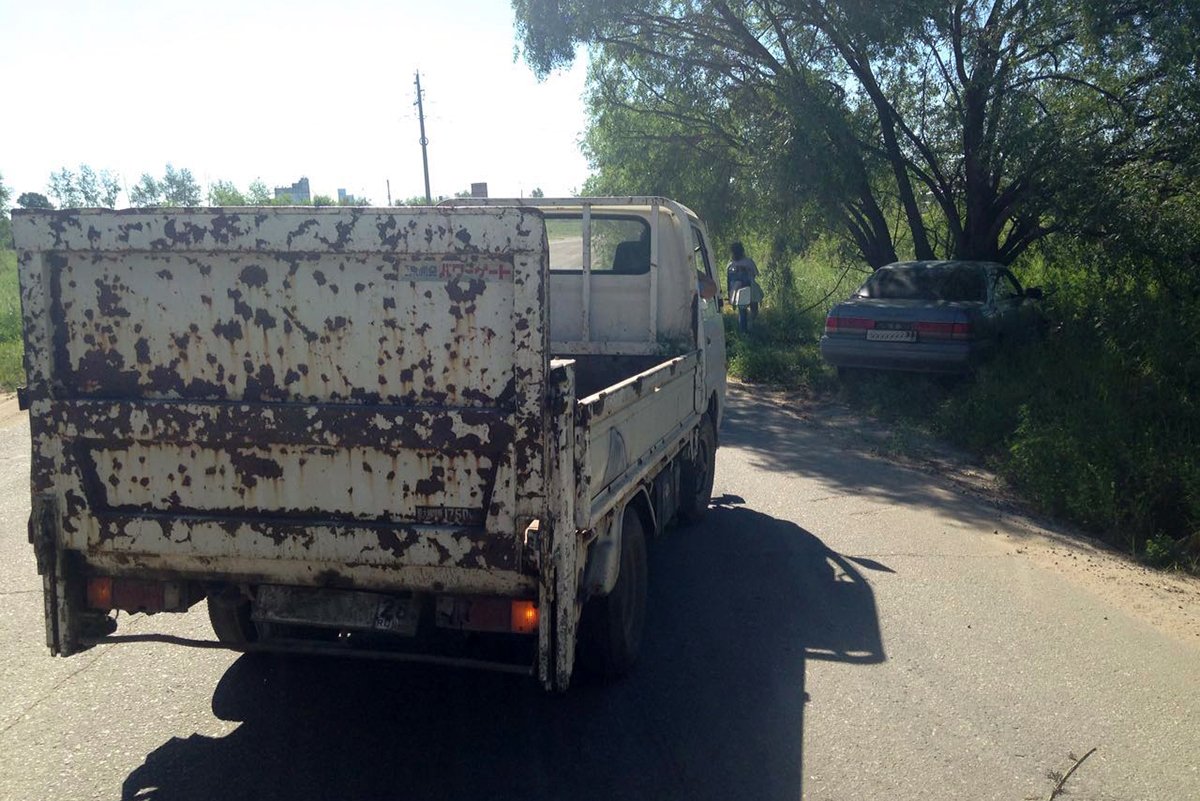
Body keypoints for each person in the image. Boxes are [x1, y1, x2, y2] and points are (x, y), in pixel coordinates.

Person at [726, 241, 760, 332]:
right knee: (754, 309)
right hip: (749, 289)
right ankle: (751, 326)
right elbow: (755, 274)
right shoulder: (749, 262)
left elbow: (728, 281)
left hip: (736, 291)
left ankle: (743, 332)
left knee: (742, 312)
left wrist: (730, 295)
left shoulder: (730, 265)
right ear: (742, 251)